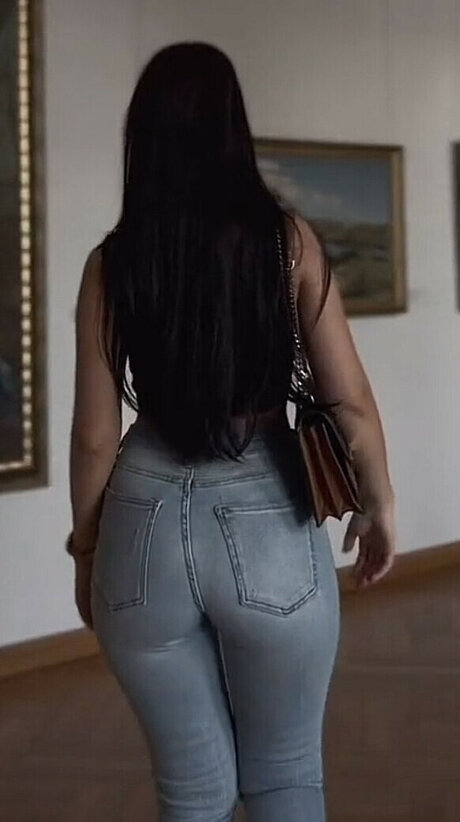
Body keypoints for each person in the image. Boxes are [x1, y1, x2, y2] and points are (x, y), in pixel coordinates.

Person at [68, 42, 396, 822]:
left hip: (141, 524)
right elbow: (350, 402)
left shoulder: (112, 263)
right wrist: (379, 505)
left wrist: (88, 553)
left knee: (193, 793)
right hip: (268, 516)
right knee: (284, 777)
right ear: (232, 129)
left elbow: (94, 439)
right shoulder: (289, 243)